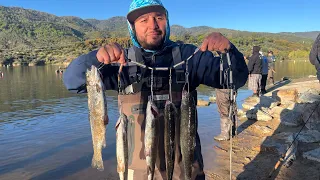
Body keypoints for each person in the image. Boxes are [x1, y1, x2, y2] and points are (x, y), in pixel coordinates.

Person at [63, 0, 248, 179]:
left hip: (185, 170)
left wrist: (229, 50)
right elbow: (72, 81)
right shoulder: (120, 62)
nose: (153, 25)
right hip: (137, 172)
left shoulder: (189, 56)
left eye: (159, 17)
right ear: (132, 27)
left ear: (167, 21)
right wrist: (95, 57)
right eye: (143, 20)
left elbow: (235, 79)